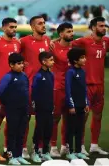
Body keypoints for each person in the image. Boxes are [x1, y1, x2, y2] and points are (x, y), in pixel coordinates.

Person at [72, 16, 108, 155]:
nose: (103, 28)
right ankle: (79, 146)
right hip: (86, 85)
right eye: (100, 26)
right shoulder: (84, 41)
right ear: (93, 28)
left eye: (104, 26)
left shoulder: (106, 41)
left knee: (98, 116)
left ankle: (94, 145)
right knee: (83, 117)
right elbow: (66, 43)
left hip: (100, 86)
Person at [20, 15, 50, 159]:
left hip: (44, 88)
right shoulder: (24, 41)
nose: (43, 25)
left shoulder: (48, 40)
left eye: (44, 23)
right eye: (40, 24)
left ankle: (37, 148)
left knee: (42, 120)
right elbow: (13, 57)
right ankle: (23, 147)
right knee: (24, 119)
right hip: (28, 86)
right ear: (32, 27)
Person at [0, 17, 21, 161]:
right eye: (11, 27)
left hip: (15, 91)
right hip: (0, 89)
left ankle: (7, 149)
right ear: (3, 28)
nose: (14, 30)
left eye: (15, 27)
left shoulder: (18, 43)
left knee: (12, 122)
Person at [0, 53, 30, 165]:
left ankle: (18, 155)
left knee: (21, 132)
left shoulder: (24, 76)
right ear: (11, 65)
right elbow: (0, 92)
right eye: (19, 64)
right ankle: (11, 156)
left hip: (24, 109)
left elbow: (26, 90)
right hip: (13, 109)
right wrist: (10, 103)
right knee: (12, 133)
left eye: (22, 63)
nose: (21, 65)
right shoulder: (8, 77)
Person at [50, 22, 73, 157]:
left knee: (69, 118)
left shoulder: (75, 46)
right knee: (55, 118)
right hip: (57, 87)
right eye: (68, 31)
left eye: (71, 31)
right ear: (61, 34)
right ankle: (53, 146)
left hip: (71, 87)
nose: (71, 33)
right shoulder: (53, 47)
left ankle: (65, 146)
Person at [65, 48, 90, 160]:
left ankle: (78, 151)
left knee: (80, 129)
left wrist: (86, 103)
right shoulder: (70, 72)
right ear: (75, 61)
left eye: (84, 57)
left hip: (81, 105)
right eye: (82, 58)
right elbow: (68, 89)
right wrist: (71, 106)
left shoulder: (83, 71)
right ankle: (70, 151)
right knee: (71, 129)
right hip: (73, 107)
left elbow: (84, 89)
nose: (85, 59)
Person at [31, 52, 54, 162]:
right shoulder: (38, 76)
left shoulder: (51, 75)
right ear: (44, 62)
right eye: (51, 60)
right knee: (39, 130)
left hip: (49, 107)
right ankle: (35, 152)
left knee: (48, 129)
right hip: (40, 108)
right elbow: (34, 92)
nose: (53, 62)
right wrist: (35, 106)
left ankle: (46, 152)